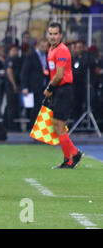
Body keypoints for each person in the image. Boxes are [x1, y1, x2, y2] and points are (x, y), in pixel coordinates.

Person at [43, 22, 83, 169]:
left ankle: (72, 155)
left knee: (59, 125)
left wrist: (49, 88)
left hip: (64, 90)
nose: (52, 36)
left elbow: (59, 75)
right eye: (50, 34)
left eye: (55, 34)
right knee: (58, 125)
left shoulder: (62, 50)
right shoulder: (51, 49)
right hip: (58, 90)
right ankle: (70, 158)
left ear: (61, 35)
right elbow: (55, 73)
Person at [21, 38, 50, 130]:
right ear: (37, 46)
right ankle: (33, 128)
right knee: (35, 108)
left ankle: (42, 128)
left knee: (44, 108)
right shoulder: (31, 56)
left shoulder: (47, 56)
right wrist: (24, 87)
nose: (44, 48)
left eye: (46, 47)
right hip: (34, 86)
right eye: (42, 46)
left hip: (45, 86)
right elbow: (25, 72)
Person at [71, 40, 99, 122]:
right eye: (76, 47)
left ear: (83, 48)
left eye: (80, 47)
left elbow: (92, 67)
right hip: (76, 84)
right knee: (76, 104)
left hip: (85, 84)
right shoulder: (74, 58)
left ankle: (88, 122)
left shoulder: (88, 57)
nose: (78, 49)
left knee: (88, 103)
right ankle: (77, 122)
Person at [3, 44, 23, 131]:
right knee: (11, 106)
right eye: (14, 50)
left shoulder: (17, 59)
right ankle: (10, 126)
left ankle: (12, 125)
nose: (15, 52)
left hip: (15, 85)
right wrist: (14, 85)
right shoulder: (9, 60)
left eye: (16, 50)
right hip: (11, 86)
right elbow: (9, 72)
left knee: (14, 106)